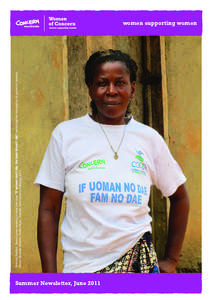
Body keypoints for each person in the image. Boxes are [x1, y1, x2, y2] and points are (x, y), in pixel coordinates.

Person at [35, 49, 189, 273]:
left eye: (120, 83)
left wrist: (171, 260)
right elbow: (48, 209)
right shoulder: (66, 135)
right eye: (102, 83)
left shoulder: (148, 139)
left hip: (140, 272)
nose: (111, 91)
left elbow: (180, 197)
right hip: (83, 271)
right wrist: (49, 281)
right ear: (90, 89)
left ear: (132, 89)